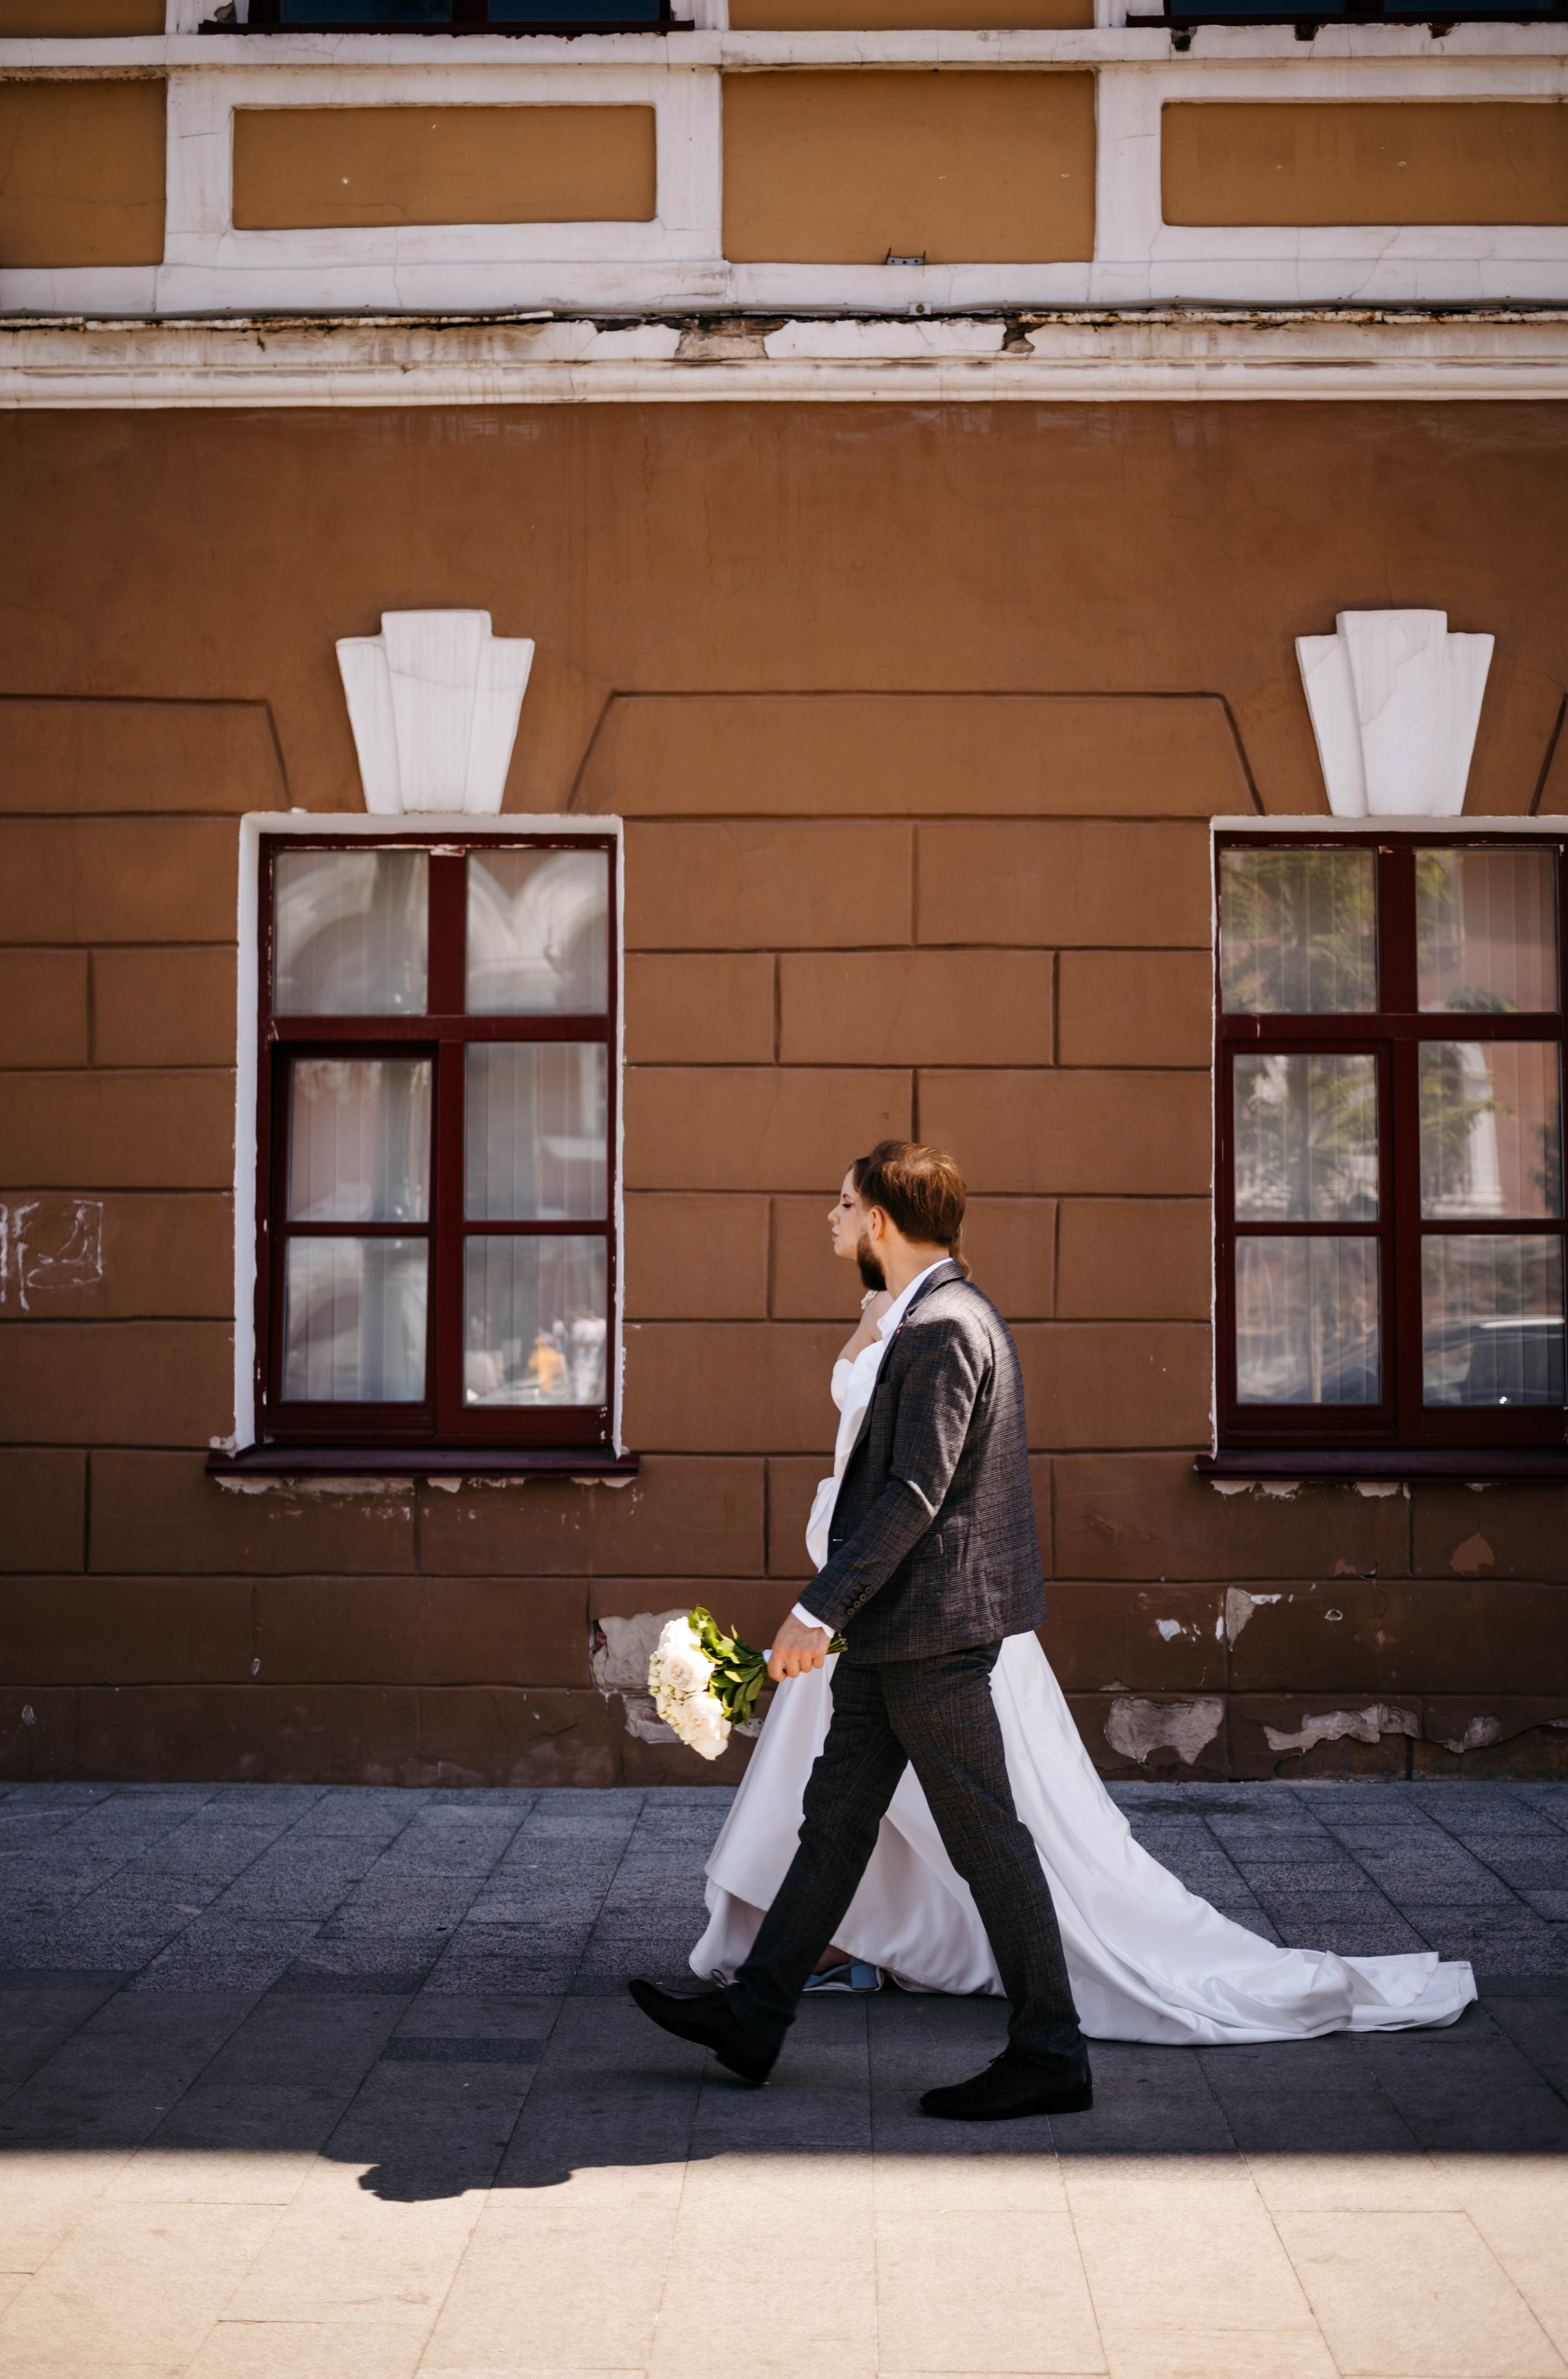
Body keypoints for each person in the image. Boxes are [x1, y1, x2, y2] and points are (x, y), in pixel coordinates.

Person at [630, 1140, 1095, 2120]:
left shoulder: (944, 1328)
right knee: (834, 1824)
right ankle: (755, 2018)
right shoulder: (931, 1316)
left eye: (842, 1207)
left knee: (989, 1842)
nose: (832, 1222)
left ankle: (1051, 2052)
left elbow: (914, 1493)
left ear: (880, 1219)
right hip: (896, 1635)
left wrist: (815, 1610)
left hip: (930, 1637)